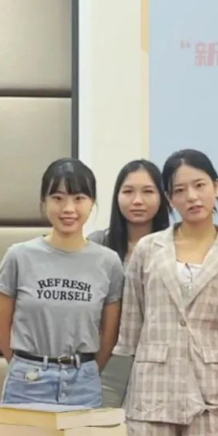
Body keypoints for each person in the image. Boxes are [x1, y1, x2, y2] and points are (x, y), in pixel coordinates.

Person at [117, 149, 218, 436]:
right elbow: (133, 324)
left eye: (200, 185)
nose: (192, 196)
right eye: (179, 190)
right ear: (169, 198)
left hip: (212, 387)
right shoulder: (148, 249)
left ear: (216, 187)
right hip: (152, 389)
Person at [0, 158, 124, 407]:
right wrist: (25, 366)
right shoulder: (18, 256)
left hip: (83, 384)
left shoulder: (109, 262)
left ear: (92, 202)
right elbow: (0, 327)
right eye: (58, 198)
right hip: (27, 383)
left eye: (79, 198)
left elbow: (110, 335)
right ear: (44, 202)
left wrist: (88, 370)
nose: (68, 208)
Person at [88, 159, 170, 408]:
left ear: (163, 197)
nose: (137, 200)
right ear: (117, 196)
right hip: (106, 357)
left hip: (158, 360)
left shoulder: (175, 247)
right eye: (128, 191)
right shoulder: (98, 245)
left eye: (148, 192)